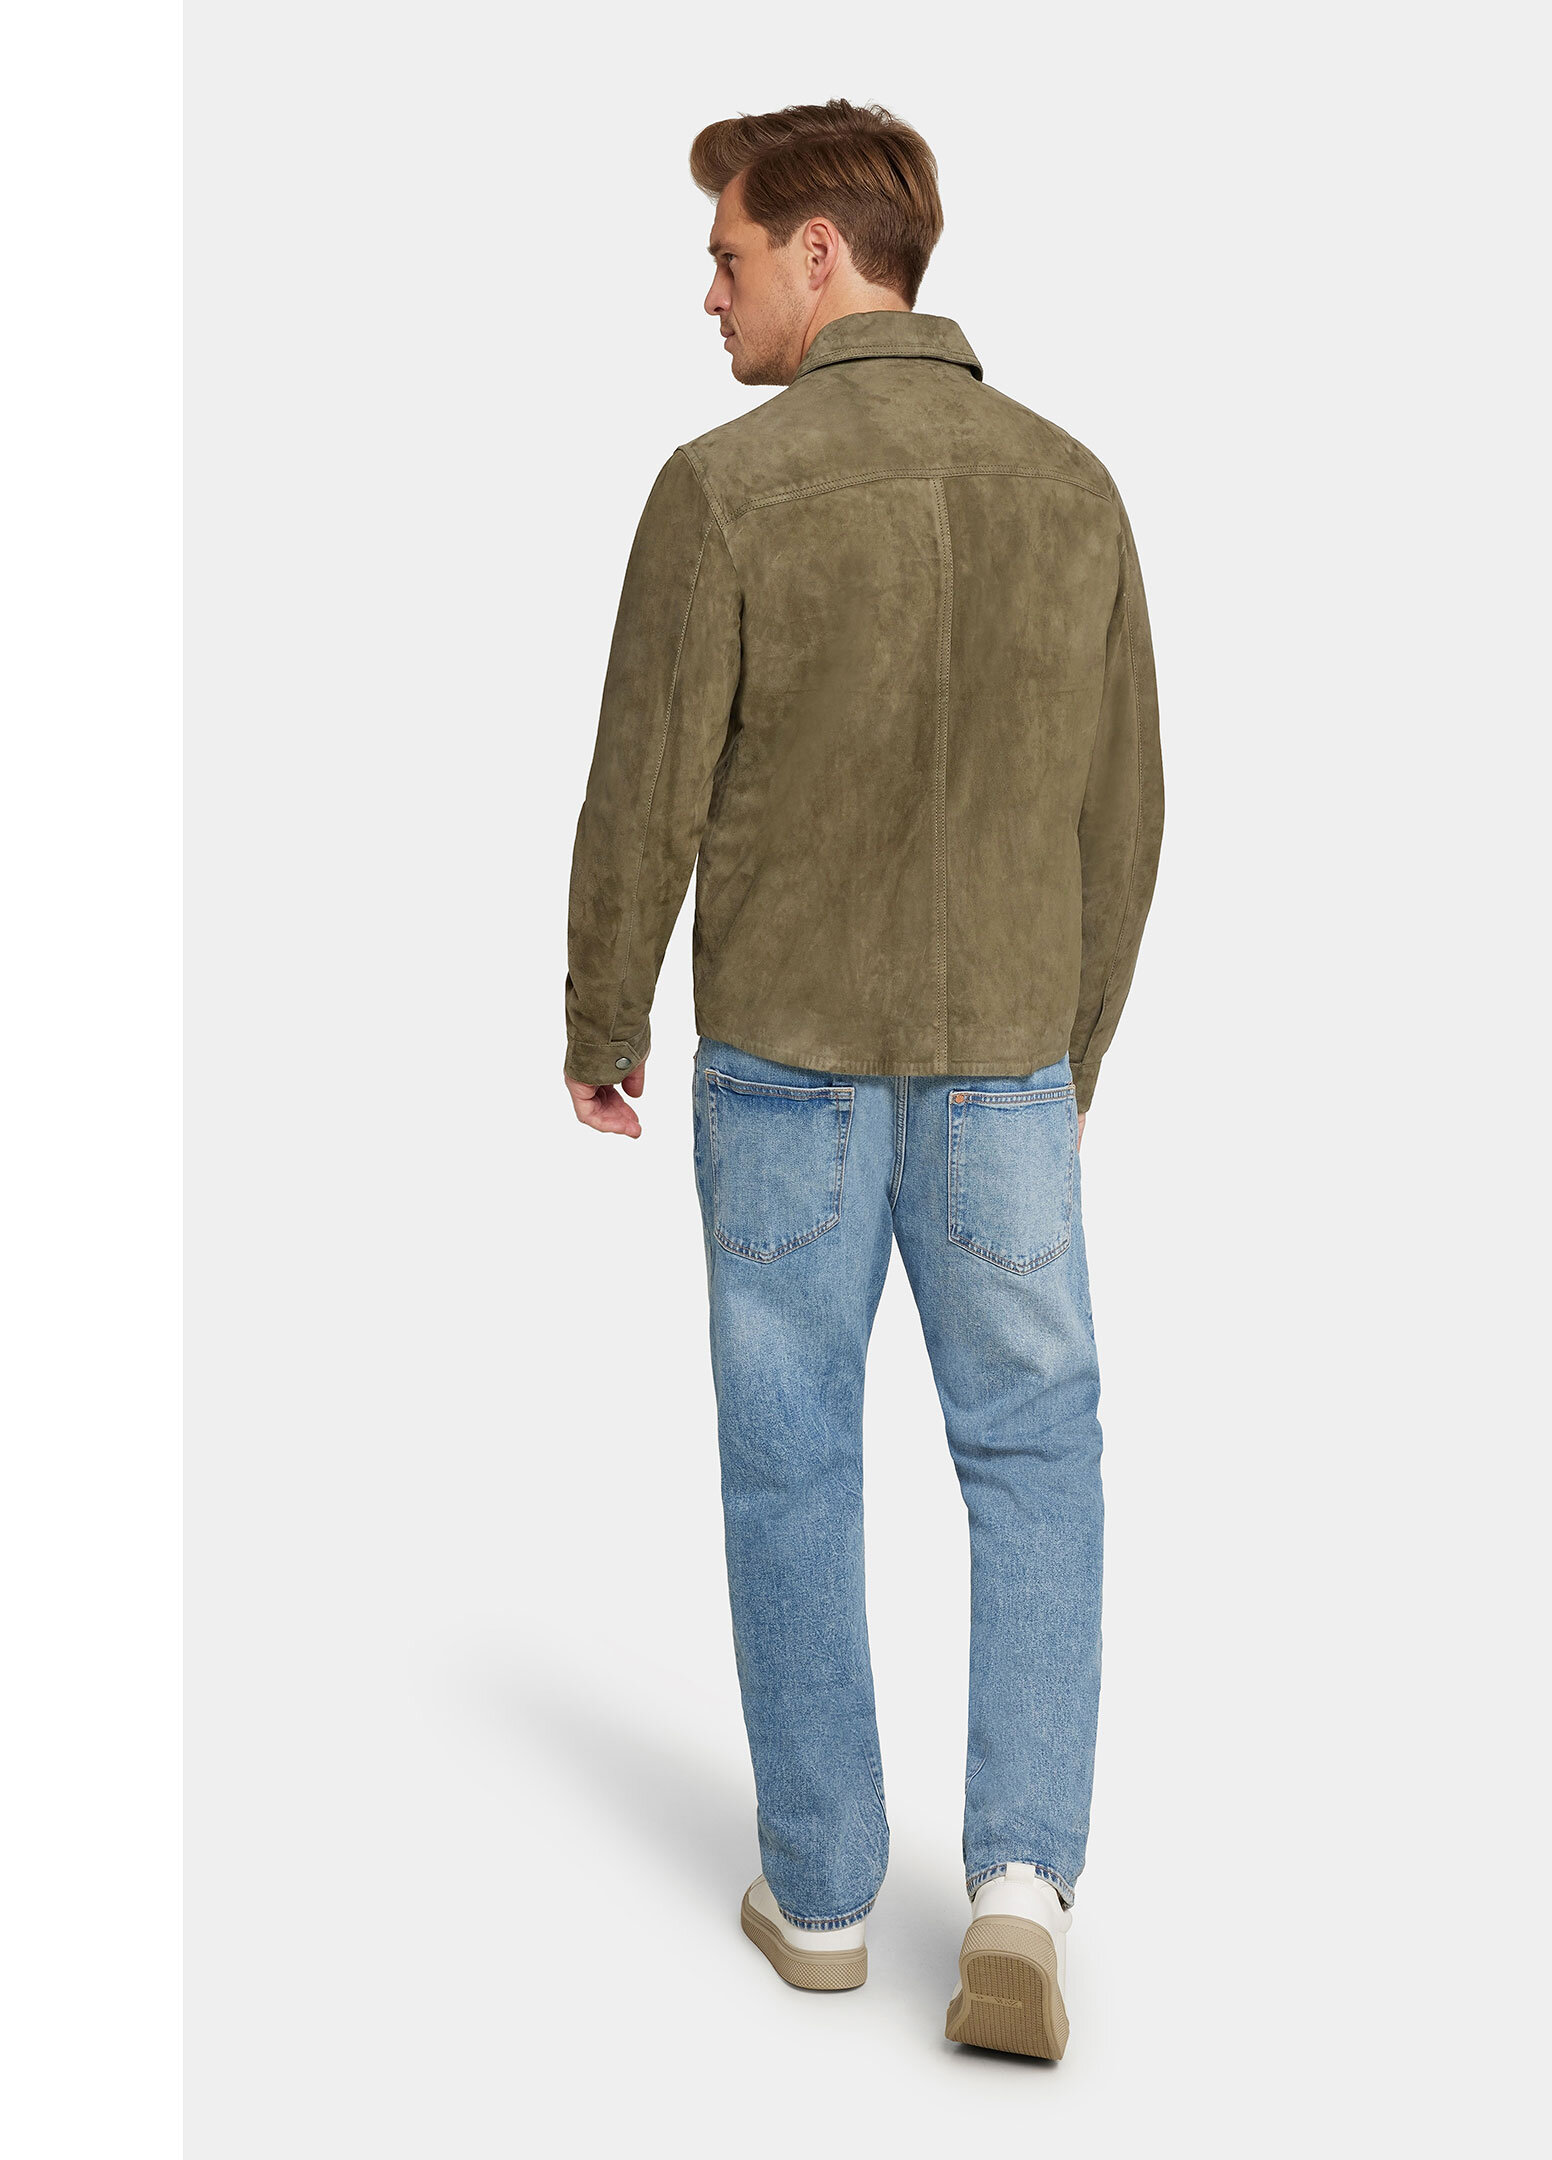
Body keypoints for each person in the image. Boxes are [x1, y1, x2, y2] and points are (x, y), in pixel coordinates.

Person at [563, 100, 1162, 2061]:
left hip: (786, 1078)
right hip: (1005, 1073)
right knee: (1036, 1456)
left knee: (791, 1460)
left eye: (729, 253)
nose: (710, 292)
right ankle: (1018, 1896)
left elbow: (642, 787)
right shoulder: (1071, 487)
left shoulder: (722, 489)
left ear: (823, 254)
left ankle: (821, 1897)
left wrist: (600, 1019)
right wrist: (1070, 1046)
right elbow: (1127, 810)